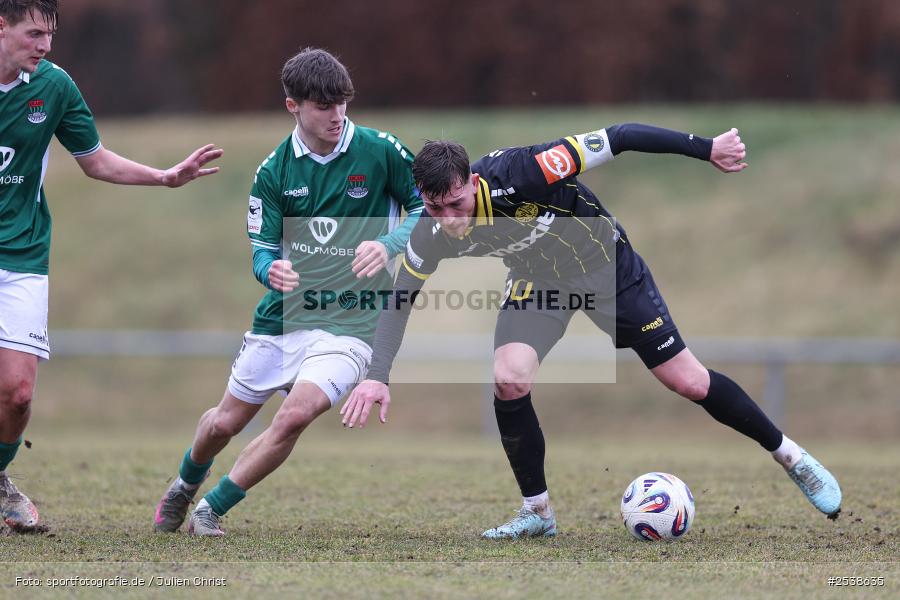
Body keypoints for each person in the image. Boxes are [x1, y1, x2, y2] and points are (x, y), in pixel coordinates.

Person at [342, 123, 842, 539]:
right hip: (541, 283)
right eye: (435, 208)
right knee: (509, 378)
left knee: (688, 381)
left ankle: (792, 458)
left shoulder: (526, 171)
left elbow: (619, 136)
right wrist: (377, 374)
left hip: (608, 269)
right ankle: (537, 513)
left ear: (472, 181)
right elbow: (400, 299)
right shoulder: (429, 233)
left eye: (456, 204)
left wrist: (706, 148)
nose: (449, 219)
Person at [153, 47, 423, 536]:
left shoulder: (381, 151)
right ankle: (185, 483)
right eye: (323, 106)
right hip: (283, 318)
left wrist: (389, 244)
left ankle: (211, 509)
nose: (337, 115)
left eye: (342, 103)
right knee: (223, 424)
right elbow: (261, 247)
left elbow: (426, 208)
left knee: (295, 415)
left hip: (355, 320)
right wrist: (269, 269)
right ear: (292, 106)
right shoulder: (274, 170)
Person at [0, 0, 222, 532]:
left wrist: (164, 177)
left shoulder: (53, 87)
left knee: (19, 394)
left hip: (22, 254)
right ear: (1, 26)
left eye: (50, 34)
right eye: (34, 34)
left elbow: (95, 160)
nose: (45, 45)